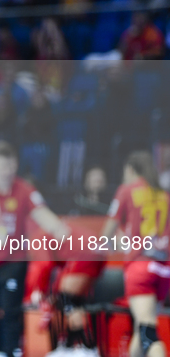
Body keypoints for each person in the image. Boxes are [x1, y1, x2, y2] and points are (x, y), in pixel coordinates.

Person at [0, 140, 68, 357]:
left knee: (10, 311)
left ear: (15, 166)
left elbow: (44, 215)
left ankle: (11, 351)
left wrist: (61, 230)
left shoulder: (24, 190)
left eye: (9, 166)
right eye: (1, 166)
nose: (5, 171)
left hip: (13, 262)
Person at [102, 151, 170, 357]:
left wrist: (114, 245)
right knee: (141, 330)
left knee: (148, 333)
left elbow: (107, 233)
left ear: (130, 170)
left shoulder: (127, 190)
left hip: (140, 268)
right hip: (163, 269)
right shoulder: (164, 194)